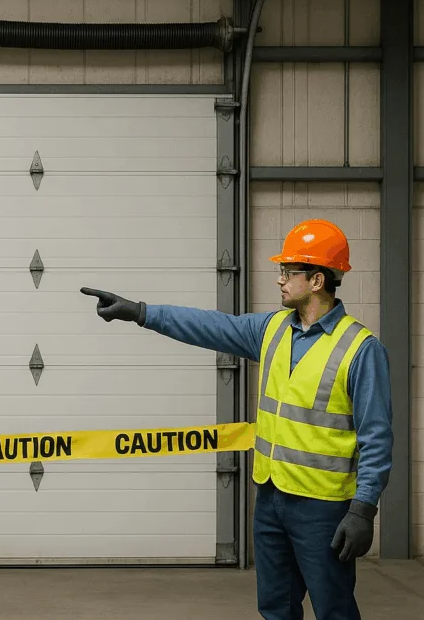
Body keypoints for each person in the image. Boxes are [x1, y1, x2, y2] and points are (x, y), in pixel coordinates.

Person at [80, 218, 393, 620]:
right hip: (270, 499)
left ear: (317, 280)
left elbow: (377, 439)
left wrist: (363, 510)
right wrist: (140, 313)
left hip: (323, 509)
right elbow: (210, 326)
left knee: (334, 609)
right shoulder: (273, 330)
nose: (280, 280)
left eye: (288, 272)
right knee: (275, 607)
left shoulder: (361, 349)